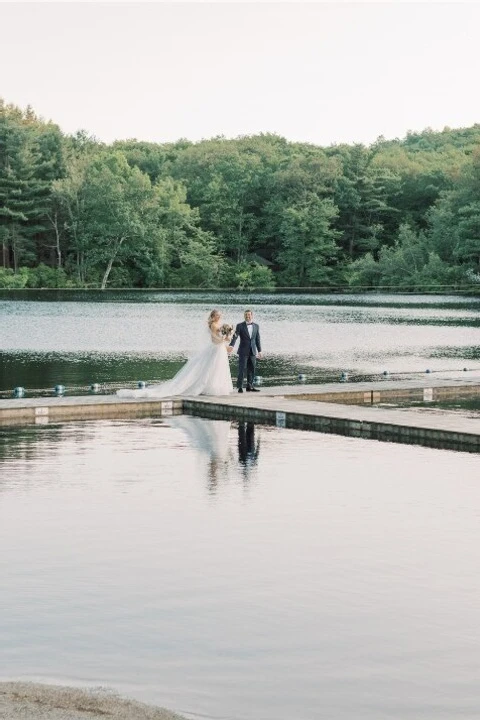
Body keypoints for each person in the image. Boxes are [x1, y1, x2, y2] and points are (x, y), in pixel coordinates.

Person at [117, 310, 233, 398]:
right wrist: (223, 340)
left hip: (219, 349)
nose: (219, 316)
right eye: (217, 315)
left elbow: (220, 337)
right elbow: (214, 339)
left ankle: (214, 387)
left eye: (220, 315)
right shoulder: (213, 325)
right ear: (213, 316)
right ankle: (207, 387)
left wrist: (227, 336)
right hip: (215, 348)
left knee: (217, 368)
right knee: (211, 368)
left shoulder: (220, 325)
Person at [227, 309, 263, 393]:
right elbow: (235, 336)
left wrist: (260, 351)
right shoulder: (240, 326)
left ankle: (249, 386)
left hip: (253, 351)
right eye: (246, 315)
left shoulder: (256, 326)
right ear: (244, 316)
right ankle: (239, 387)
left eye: (249, 315)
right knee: (241, 369)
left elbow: (257, 339)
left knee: (252, 369)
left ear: (252, 315)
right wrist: (231, 345)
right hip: (243, 351)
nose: (247, 316)